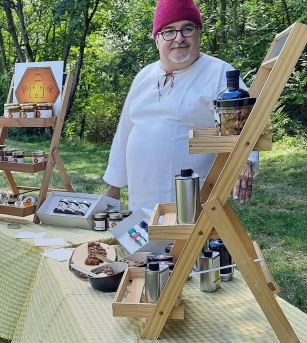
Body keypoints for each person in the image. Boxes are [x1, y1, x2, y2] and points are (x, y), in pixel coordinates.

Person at [103, 0, 259, 213]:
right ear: (157, 39)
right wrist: (114, 186)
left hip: (192, 199)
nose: (179, 38)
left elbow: (247, 121)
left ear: (198, 34)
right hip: (141, 197)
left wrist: (244, 160)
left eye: (187, 28)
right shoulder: (143, 76)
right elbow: (125, 133)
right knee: (143, 241)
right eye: (169, 31)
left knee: (182, 244)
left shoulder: (220, 73)